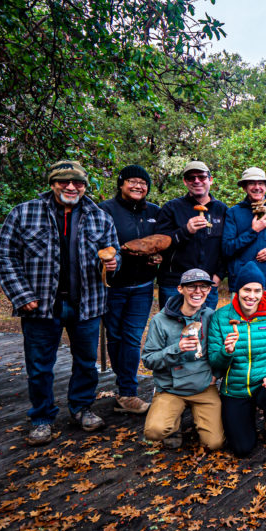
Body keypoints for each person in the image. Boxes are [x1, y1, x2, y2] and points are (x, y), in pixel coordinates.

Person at [0, 159, 120, 446]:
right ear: (52, 183)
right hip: (40, 305)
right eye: (64, 181)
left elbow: (114, 254)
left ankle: (81, 408)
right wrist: (22, 295)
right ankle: (41, 418)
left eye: (78, 182)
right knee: (39, 366)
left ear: (85, 186)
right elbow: (4, 256)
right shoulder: (25, 213)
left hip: (86, 304)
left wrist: (114, 264)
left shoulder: (99, 216)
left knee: (87, 363)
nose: (71, 187)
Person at [207, 262, 266, 455]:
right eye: (247, 290)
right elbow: (214, 361)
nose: (251, 296)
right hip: (235, 390)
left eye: (257, 290)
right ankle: (245, 417)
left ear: (263, 292)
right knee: (242, 448)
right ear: (238, 290)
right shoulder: (221, 317)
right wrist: (225, 352)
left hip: (263, 384)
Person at [98, 165, 160, 415]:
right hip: (112, 288)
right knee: (115, 338)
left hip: (143, 287)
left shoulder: (155, 212)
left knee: (133, 339)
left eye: (143, 183)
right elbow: (94, 244)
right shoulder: (105, 210)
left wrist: (159, 256)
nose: (138, 186)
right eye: (132, 181)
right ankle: (123, 386)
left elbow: (161, 243)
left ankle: (128, 393)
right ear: (121, 184)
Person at [141, 268, 225, 451]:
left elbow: (219, 352)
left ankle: (198, 417)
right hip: (171, 388)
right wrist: (176, 349)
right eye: (192, 286)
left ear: (209, 290)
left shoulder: (211, 317)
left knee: (214, 443)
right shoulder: (160, 320)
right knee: (154, 431)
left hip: (203, 386)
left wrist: (216, 375)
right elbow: (148, 360)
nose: (198, 291)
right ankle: (173, 424)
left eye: (203, 286)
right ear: (180, 289)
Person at [154, 160, 228, 311]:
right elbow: (159, 244)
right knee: (171, 328)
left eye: (201, 177)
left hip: (206, 284)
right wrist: (185, 231)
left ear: (210, 180)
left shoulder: (222, 210)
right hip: (174, 284)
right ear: (185, 182)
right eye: (191, 178)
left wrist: (219, 275)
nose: (196, 181)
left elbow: (227, 246)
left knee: (203, 329)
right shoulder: (171, 208)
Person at [222, 166, 266, 303]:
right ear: (244, 187)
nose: (257, 187)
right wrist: (253, 231)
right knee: (240, 323)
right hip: (241, 283)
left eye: (261, 183)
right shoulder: (233, 213)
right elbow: (227, 248)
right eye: (252, 183)